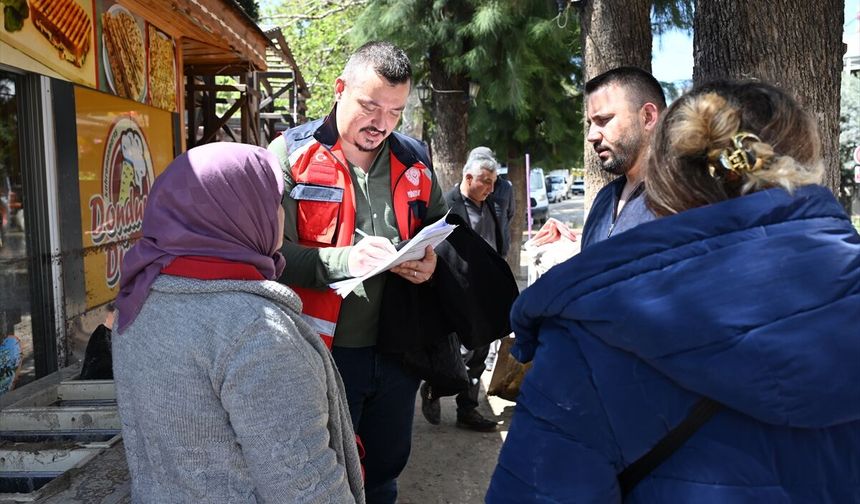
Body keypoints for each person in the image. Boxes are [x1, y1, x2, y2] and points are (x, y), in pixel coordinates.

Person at [486, 79, 860, 502]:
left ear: (664, 182)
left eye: (604, 119)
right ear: (804, 158)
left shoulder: (585, 341)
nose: (593, 134)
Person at [113, 143, 363, 503]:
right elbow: (307, 489)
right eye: (276, 203)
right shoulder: (257, 332)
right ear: (238, 214)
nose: (280, 215)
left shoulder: (140, 298)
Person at [267, 41, 447, 504]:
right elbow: (266, 255)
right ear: (339, 88)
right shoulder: (288, 156)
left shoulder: (415, 160)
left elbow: (442, 231)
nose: (381, 124)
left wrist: (430, 262)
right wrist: (343, 261)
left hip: (395, 352)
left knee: (384, 474)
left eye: (395, 112)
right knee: (321, 477)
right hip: (317, 353)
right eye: (370, 106)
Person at [419, 148, 504, 433]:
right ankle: (435, 387)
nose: (491, 189)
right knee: (457, 351)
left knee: (480, 348)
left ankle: (468, 409)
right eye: (486, 182)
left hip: (486, 289)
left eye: (494, 182)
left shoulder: (491, 203)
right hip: (457, 289)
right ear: (468, 177)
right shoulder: (446, 206)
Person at [580, 66, 666, 248]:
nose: (591, 135)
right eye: (590, 124)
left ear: (648, 117)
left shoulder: (682, 197)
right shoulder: (604, 198)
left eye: (603, 120)